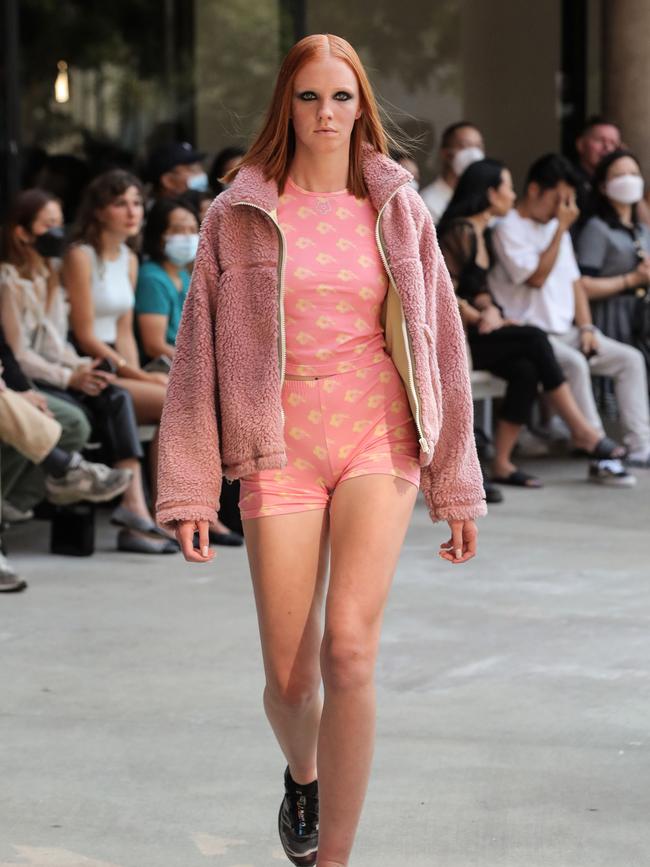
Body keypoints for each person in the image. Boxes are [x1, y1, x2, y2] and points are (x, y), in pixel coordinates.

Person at [155, 33, 486, 867]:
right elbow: (197, 359)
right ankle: (303, 771)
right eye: (310, 97)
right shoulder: (239, 215)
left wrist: (457, 483)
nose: (327, 113)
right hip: (279, 442)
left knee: (348, 648)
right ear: (286, 106)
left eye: (342, 97)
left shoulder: (397, 207)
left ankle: (334, 857)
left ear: (362, 107)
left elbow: (442, 343)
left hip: (380, 432)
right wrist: (191, 487)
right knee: (291, 677)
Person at [0, 188, 177, 554]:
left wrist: (82, 368)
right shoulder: (10, 280)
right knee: (83, 414)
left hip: (58, 369)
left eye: (59, 222)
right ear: (22, 233)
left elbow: (54, 343)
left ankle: (141, 507)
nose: (57, 231)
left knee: (111, 395)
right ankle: (29, 497)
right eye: (48, 224)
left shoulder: (49, 273)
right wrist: (73, 376)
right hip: (30, 377)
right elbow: (19, 354)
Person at [438, 158, 626, 487]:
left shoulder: (480, 232)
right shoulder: (462, 230)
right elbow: (443, 292)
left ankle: (502, 464)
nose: (513, 195)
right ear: (490, 193)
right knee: (535, 339)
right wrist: (479, 314)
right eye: (507, 187)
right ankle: (584, 433)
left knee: (526, 369)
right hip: (458, 338)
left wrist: (490, 309)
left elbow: (477, 290)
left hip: (479, 330)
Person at [489, 153, 650, 478]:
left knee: (629, 359)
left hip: (567, 331)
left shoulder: (555, 228)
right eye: (560, 198)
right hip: (530, 335)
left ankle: (639, 447)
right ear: (535, 190)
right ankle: (599, 450)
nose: (566, 207)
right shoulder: (507, 228)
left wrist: (587, 326)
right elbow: (535, 278)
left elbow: (576, 283)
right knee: (575, 364)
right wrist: (561, 230)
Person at [575, 149, 650, 376]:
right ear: (602, 186)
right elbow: (582, 284)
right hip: (610, 316)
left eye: (633, 173)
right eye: (619, 175)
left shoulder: (642, 230)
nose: (628, 179)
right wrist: (631, 279)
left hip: (641, 317)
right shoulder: (596, 228)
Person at [135, 198, 199, 362]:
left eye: (192, 230)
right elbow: (154, 346)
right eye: (177, 230)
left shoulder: (182, 275)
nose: (187, 237)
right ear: (159, 235)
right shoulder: (152, 279)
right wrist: (200, 366)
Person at [419, 121, 485, 224]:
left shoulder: (483, 199)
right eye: (465, 146)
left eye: (478, 147)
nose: (474, 153)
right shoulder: (427, 203)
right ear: (446, 154)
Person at [572, 116, 622, 222]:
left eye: (613, 143)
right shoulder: (569, 180)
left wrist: (627, 172)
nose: (607, 147)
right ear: (581, 145)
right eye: (600, 140)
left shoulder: (618, 182)